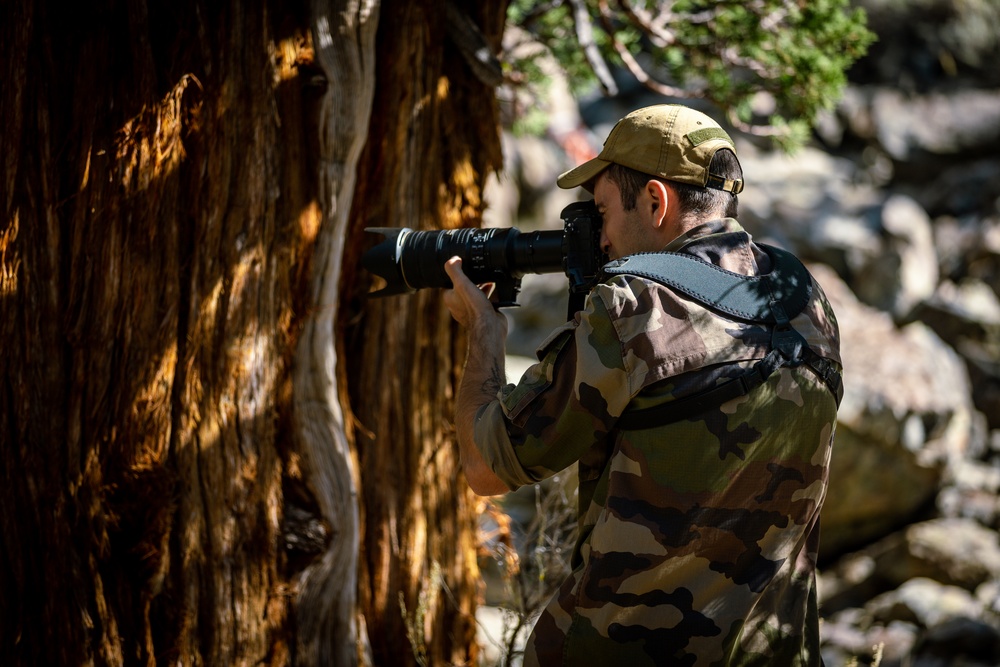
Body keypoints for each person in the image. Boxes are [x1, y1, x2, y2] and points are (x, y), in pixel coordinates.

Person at [443, 104, 842, 666]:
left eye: (602, 210)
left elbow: (485, 465)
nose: (600, 237)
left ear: (656, 201)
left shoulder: (634, 311)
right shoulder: (805, 300)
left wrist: (484, 334)